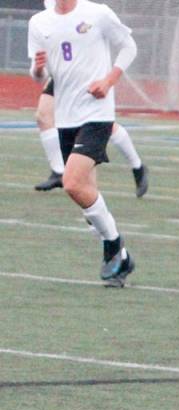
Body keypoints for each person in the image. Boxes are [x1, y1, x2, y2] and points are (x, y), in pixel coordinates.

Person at [28, 0, 138, 286]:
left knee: (72, 183)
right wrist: (38, 70)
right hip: (66, 117)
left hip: (97, 113)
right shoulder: (39, 22)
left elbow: (129, 46)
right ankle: (122, 260)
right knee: (86, 195)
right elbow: (39, 75)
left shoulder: (97, 13)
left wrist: (109, 81)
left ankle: (113, 244)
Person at [34, 85, 149, 197]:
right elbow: (39, 77)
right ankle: (59, 172)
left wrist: (108, 81)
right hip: (65, 75)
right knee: (43, 115)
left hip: (90, 77)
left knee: (100, 122)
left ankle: (138, 167)